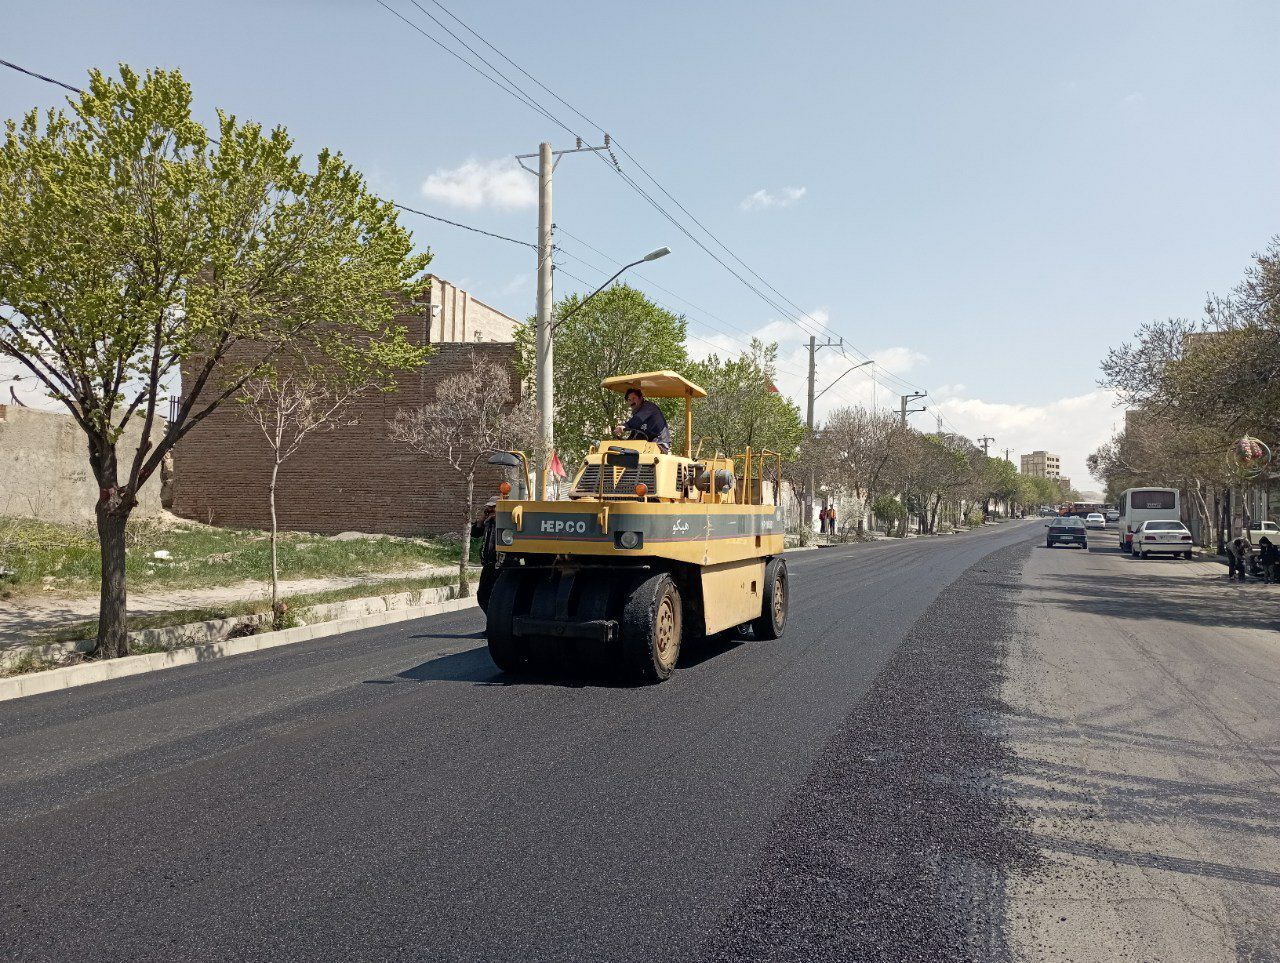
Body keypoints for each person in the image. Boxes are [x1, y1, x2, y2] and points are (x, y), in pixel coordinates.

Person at [614, 387, 671, 453]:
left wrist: (624, 426)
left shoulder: (648, 408)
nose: (632, 402)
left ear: (641, 398)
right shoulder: (637, 412)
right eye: (629, 400)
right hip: (648, 444)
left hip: (660, 444)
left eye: (634, 398)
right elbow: (635, 431)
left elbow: (637, 421)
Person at [470, 495, 501, 612]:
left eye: (493, 508)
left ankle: (496, 623)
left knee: (497, 596)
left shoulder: (505, 522)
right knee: (482, 595)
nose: (490, 511)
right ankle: (492, 621)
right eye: (489, 509)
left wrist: (498, 518)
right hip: (488, 565)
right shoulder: (488, 522)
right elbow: (475, 533)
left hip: (500, 564)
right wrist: (481, 520)